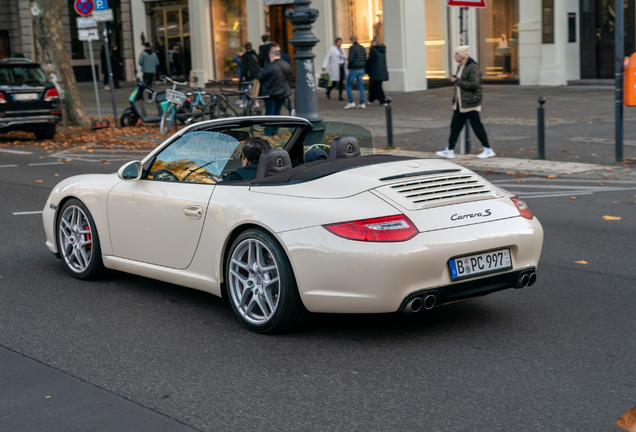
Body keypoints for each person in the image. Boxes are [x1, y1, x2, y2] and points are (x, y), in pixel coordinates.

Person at [436, 46, 495, 159]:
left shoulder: (472, 67)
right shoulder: (461, 66)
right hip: (461, 103)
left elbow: (474, 84)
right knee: (455, 126)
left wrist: (457, 81)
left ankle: (487, 149)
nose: (454, 56)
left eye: (456, 54)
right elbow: (457, 88)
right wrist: (454, 102)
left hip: (470, 102)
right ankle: (450, 149)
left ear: (462, 56)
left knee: (476, 126)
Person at [257, 48, 292, 136]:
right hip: (282, 92)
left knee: (270, 114)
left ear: (271, 56)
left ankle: (268, 132)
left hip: (271, 93)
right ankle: (275, 131)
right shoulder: (286, 65)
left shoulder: (270, 66)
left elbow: (259, 77)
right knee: (277, 113)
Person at [344, 34, 366, 109]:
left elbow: (351, 59)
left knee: (348, 85)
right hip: (361, 69)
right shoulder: (362, 48)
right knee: (361, 86)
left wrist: (349, 67)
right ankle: (362, 103)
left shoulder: (352, 48)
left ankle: (351, 102)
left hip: (354, 69)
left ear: (351, 40)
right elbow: (365, 58)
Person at [365, 37, 388, 105]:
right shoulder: (382, 50)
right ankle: (371, 99)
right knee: (376, 85)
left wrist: (366, 69)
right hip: (381, 71)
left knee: (376, 86)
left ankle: (383, 100)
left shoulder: (373, 50)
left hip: (375, 71)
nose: (372, 43)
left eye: (373, 42)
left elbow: (370, 61)